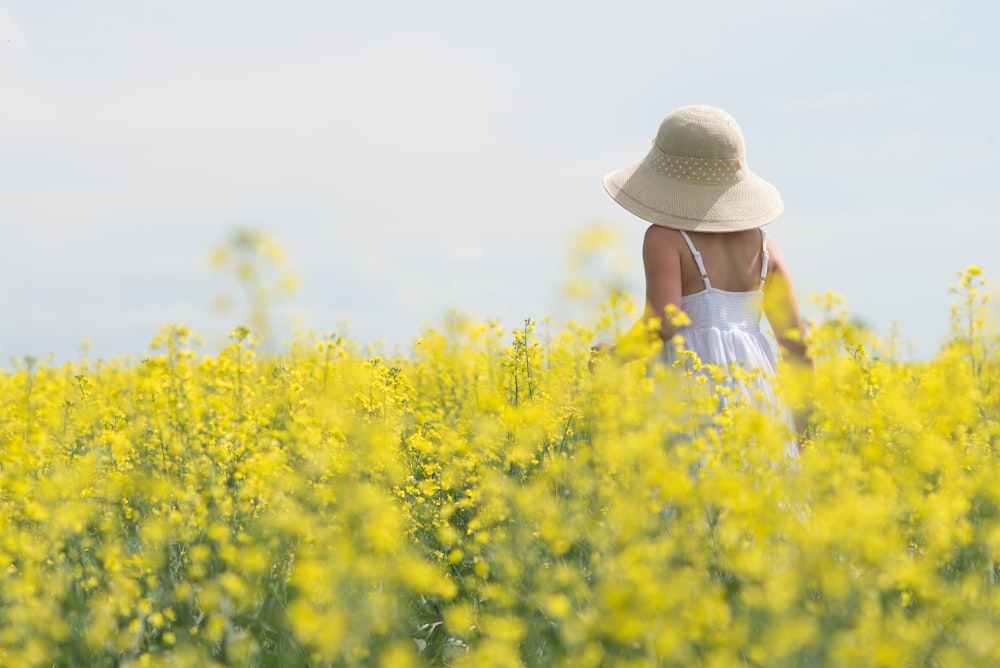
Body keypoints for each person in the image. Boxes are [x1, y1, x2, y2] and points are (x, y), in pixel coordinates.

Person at [590, 104, 812, 453]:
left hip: (694, 389)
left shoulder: (664, 238)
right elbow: (797, 348)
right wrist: (800, 432)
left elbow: (662, 323)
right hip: (760, 393)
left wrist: (614, 356)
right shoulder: (766, 247)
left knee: (695, 493)